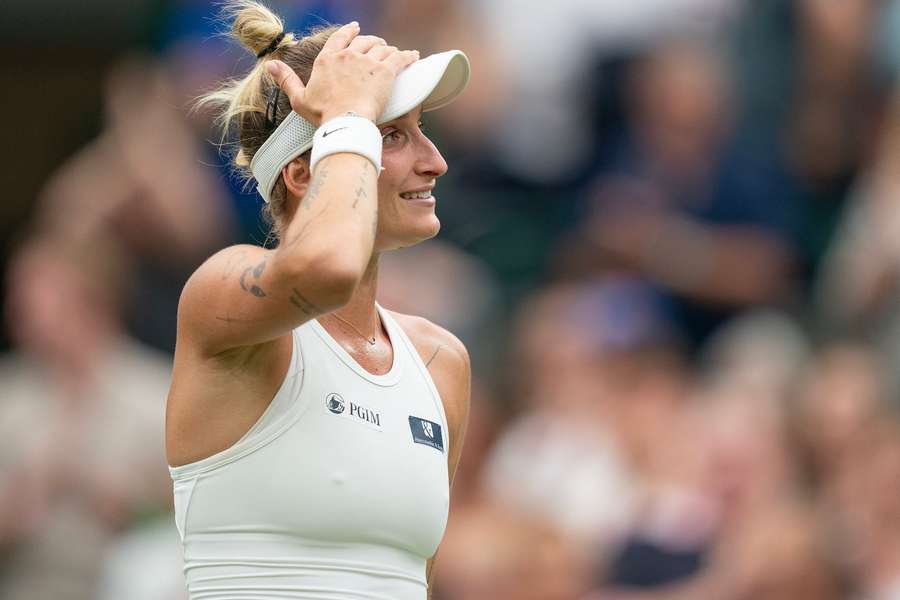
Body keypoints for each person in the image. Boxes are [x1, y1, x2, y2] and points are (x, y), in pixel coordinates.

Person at [164, 2, 472, 598]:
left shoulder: (443, 363)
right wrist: (350, 114)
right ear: (305, 171)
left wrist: (353, 121)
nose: (436, 161)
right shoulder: (221, 291)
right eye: (393, 135)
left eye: (422, 130)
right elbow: (329, 267)